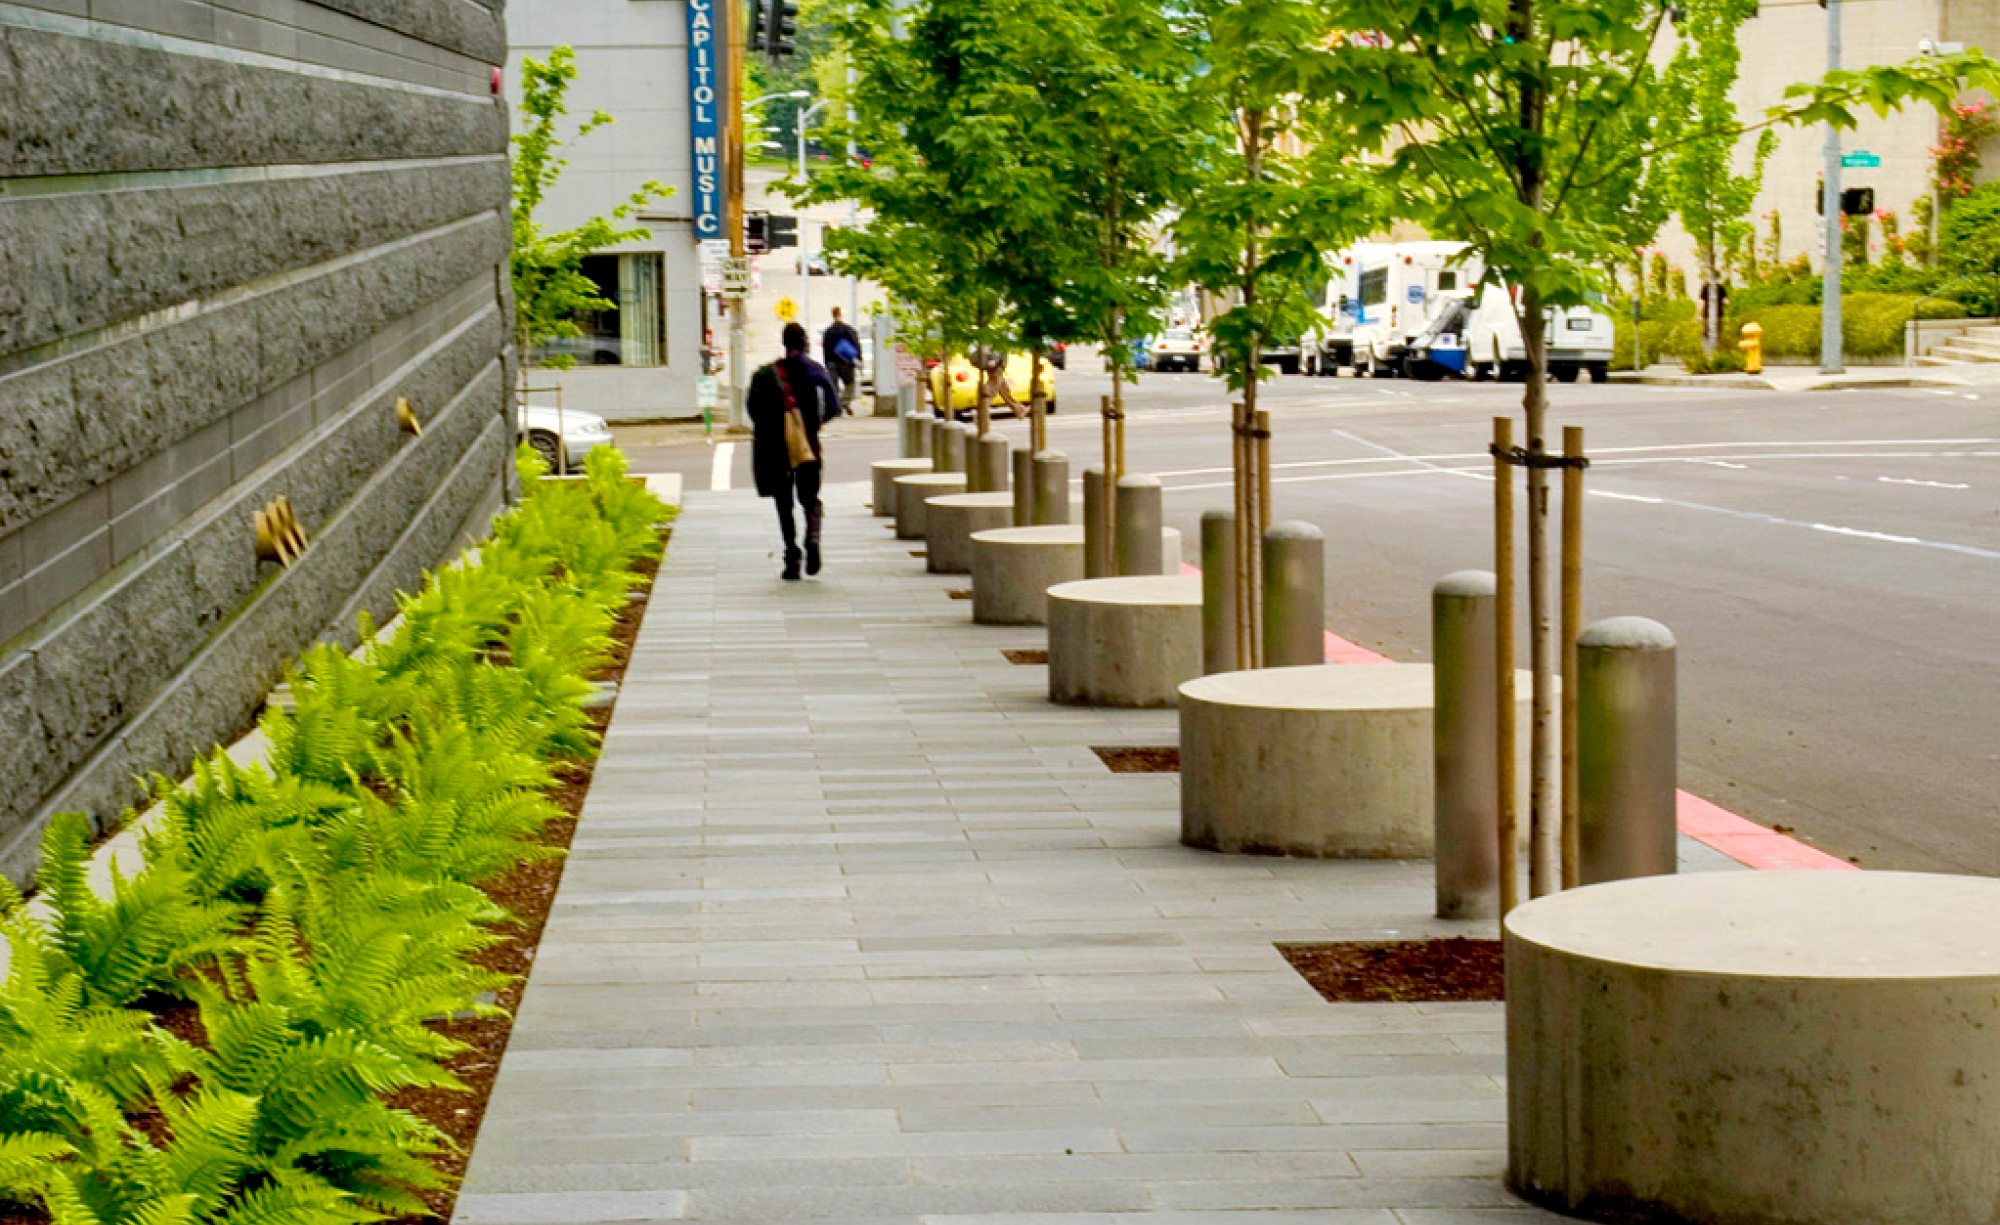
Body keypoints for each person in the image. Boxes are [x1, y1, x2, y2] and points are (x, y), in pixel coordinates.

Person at [748, 322, 842, 581]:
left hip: (777, 449)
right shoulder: (815, 371)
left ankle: (792, 556)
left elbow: (753, 411)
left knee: (783, 502)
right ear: (805, 342)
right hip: (808, 445)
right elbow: (835, 406)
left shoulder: (766, 375)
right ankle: (812, 536)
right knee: (810, 498)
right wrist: (811, 425)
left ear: (784, 343)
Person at [821, 308, 861, 411]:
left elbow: (825, 348)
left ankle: (836, 403)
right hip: (846, 362)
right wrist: (859, 359)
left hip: (831, 362)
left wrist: (826, 362)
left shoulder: (828, 331)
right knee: (850, 384)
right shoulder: (848, 329)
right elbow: (856, 344)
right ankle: (844, 402)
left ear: (833, 315)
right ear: (841, 315)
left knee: (833, 385)